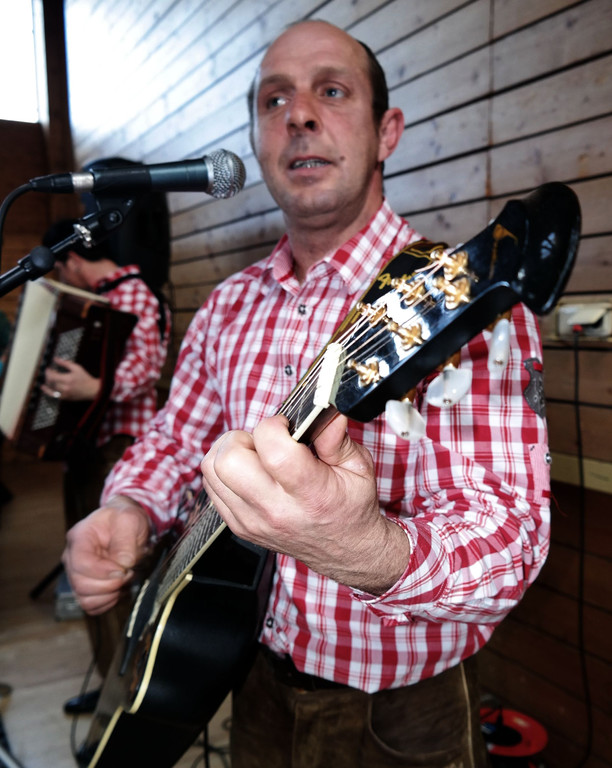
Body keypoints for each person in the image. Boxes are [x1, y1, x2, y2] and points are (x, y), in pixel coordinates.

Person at [62, 20, 551, 767]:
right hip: (246, 674)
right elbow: (175, 439)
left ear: (387, 132)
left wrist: (365, 549)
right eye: (274, 100)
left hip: (401, 710)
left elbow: (511, 539)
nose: (298, 116)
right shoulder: (227, 305)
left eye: (332, 91)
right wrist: (129, 506)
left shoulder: (465, 302)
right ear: (256, 142)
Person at [41, 219, 171, 714]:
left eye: (59, 270)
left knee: (117, 572)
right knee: (87, 564)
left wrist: (92, 388)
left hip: (123, 449)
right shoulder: (89, 301)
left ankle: (129, 694)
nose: (61, 280)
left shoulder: (132, 291)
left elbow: (147, 368)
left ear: (71, 259)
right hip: (88, 446)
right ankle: (110, 687)